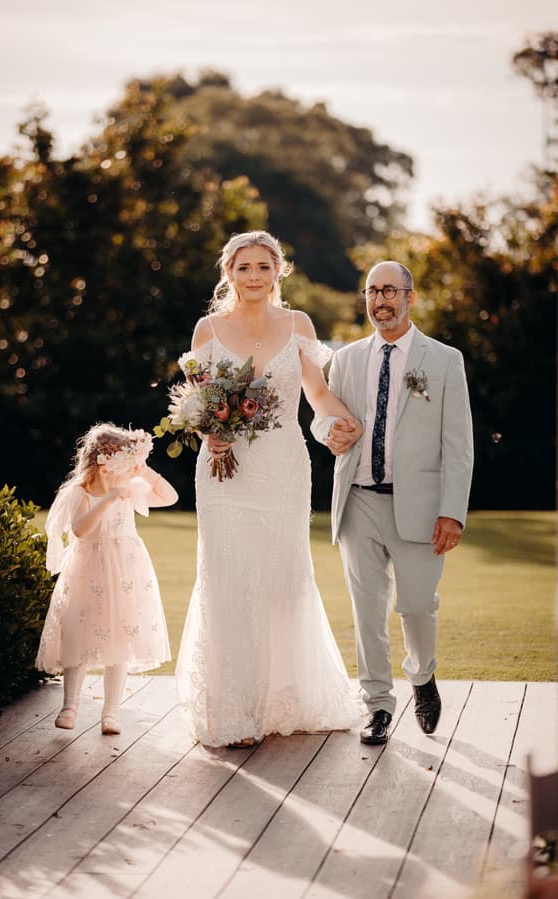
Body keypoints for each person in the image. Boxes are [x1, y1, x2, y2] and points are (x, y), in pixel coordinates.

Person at [176, 230, 363, 748]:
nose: (253, 276)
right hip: (224, 472)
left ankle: (286, 699)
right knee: (227, 575)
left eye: (263, 267)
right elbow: (195, 405)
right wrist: (208, 430)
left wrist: (347, 424)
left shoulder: (297, 325)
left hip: (284, 466)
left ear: (278, 271)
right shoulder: (207, 330)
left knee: (283, 579)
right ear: (228, 273)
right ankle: (232, 710)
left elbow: (317, 393)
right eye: (243, 268)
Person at [311, 261, 473, 745]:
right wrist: (328, 434)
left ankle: (422, 676)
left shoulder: (444, 360)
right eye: (372, 291)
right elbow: (323, 417)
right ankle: (378, 705)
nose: (380, 300)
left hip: (421, 507)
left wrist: (452, 511)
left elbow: (459, 444)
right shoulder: (346, 359)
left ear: (410, 296)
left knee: (418, 607)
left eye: (390, 291)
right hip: (358, 501)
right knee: (367, 610)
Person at [36, 423, 178, 735]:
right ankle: (69, 706)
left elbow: (169, 496)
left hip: (125, 569)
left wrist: (144, 469)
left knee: (119, 640)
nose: (128, 470)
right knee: (79, 634)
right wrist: (110, 498)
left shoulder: (129, 489)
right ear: (103, 463)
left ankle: (111, 713)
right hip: (88, 568)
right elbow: (80, 530)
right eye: (124, 462)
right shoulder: (81, 492)